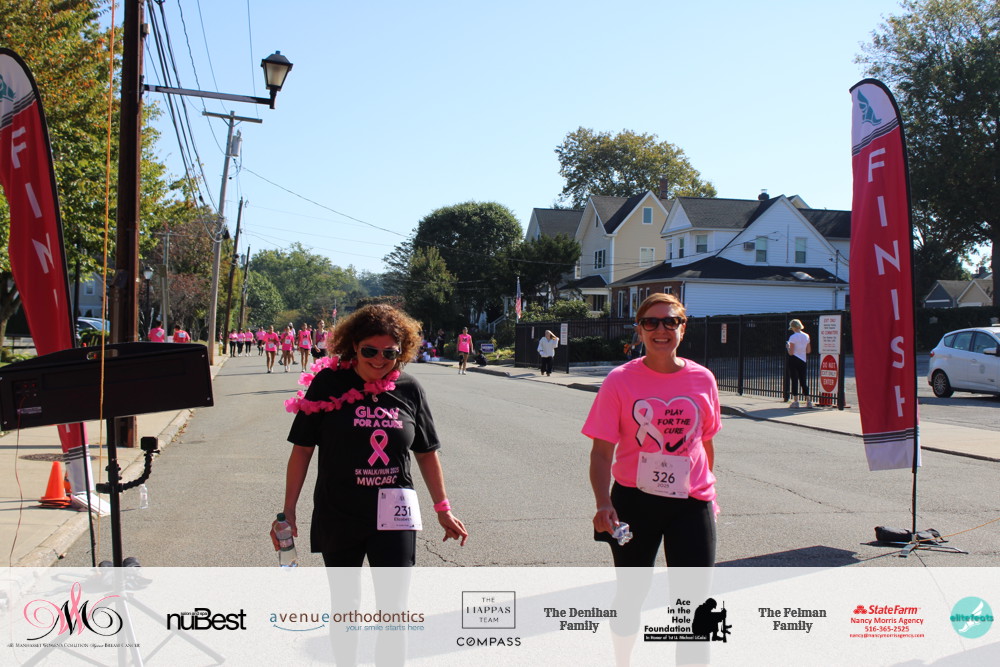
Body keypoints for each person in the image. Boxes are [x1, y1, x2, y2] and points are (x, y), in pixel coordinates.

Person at [583, 292, 720, 665]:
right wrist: (603, 502)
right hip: (634, 502)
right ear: (640, 329)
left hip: (691, 503)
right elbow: (601, 452)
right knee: (631, 596)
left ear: (682, 328)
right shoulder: (620, 381)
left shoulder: (703, 378)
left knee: (694, 605)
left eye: (670, 321)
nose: (661, 329)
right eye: (651, 322)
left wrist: (711, 494)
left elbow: (706, 443)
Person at [786, 318, 812, 409]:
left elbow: (791, 352)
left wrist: (787, 347)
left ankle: (796, 401)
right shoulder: (806, 336)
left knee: (794, 380)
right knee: (803, 380)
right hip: (803, 359)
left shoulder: (793, 337)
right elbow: (808, 350)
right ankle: (808, 401)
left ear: (793, 327)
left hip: (794, 359)